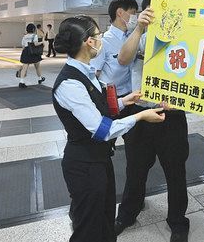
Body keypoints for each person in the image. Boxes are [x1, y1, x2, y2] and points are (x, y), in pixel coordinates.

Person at [51, 15, 167, 242]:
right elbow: (102, 129)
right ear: (89, 42)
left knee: (104, 222)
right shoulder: (70, 84)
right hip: (83, 166)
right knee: (88, 229)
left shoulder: (86, 72)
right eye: (97, 35)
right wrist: (141, 116)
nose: (101, 38)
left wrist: (125, 101)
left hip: (100, 160)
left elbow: (99, 106)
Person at [114, 0, 190, 241]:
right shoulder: (139, 35)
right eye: (152, 8)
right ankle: (128, 213)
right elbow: (124, 59)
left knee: (175, 171)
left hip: (173, 115)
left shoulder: (185, 37)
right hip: (141, 113)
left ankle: (178, 221)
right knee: (135, 168)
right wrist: (138, 29)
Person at [18, 23, 45, 88]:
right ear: (33, 29)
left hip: (26, 52)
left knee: (24, 68)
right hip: (33, 53)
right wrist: (42, 42)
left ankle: (21, 82)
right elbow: (35, 44)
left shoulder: (24, 36)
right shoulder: (34, 36)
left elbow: (23, 46)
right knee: (37, 66)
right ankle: (40, 78)